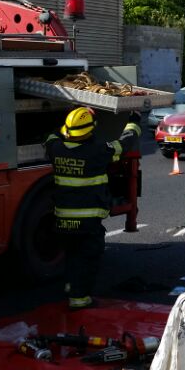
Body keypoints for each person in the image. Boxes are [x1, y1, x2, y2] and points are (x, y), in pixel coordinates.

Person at [44, 107, 140, 309]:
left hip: (63, 219)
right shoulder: (98, 152)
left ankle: (71, 290)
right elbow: (126, 142)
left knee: (72, 257)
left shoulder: (55, 148)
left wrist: (69, 117)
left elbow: (53, 134)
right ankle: (80, 300)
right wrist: (134, 120)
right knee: (87, 259)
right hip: (88, 222)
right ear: (91, 130)